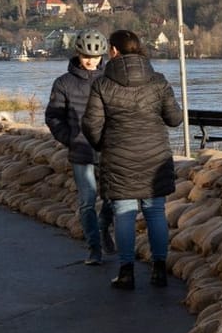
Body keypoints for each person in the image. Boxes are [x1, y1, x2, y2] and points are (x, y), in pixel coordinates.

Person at [83, 29, 182, 291]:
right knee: (155, 212)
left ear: (113, 51)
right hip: (154, 157)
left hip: (118, 159)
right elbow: (175, 119)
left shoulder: (102, 84)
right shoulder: (158, 81)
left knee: (124, 214)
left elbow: (91, 125)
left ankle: (126, 272)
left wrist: (104, 145)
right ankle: (159, 270)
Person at [44, 30, 114, 265]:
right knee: (87, 201)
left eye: (94, 57)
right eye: (86, 56)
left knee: (112, 198)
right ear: (78, 53)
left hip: (109, 149)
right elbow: (53, 116)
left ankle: (104, 227)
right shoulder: (63, 83)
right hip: (81, 150)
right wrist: (70, 138)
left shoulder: (110, 79)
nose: (90, 61)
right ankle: (93, 247)